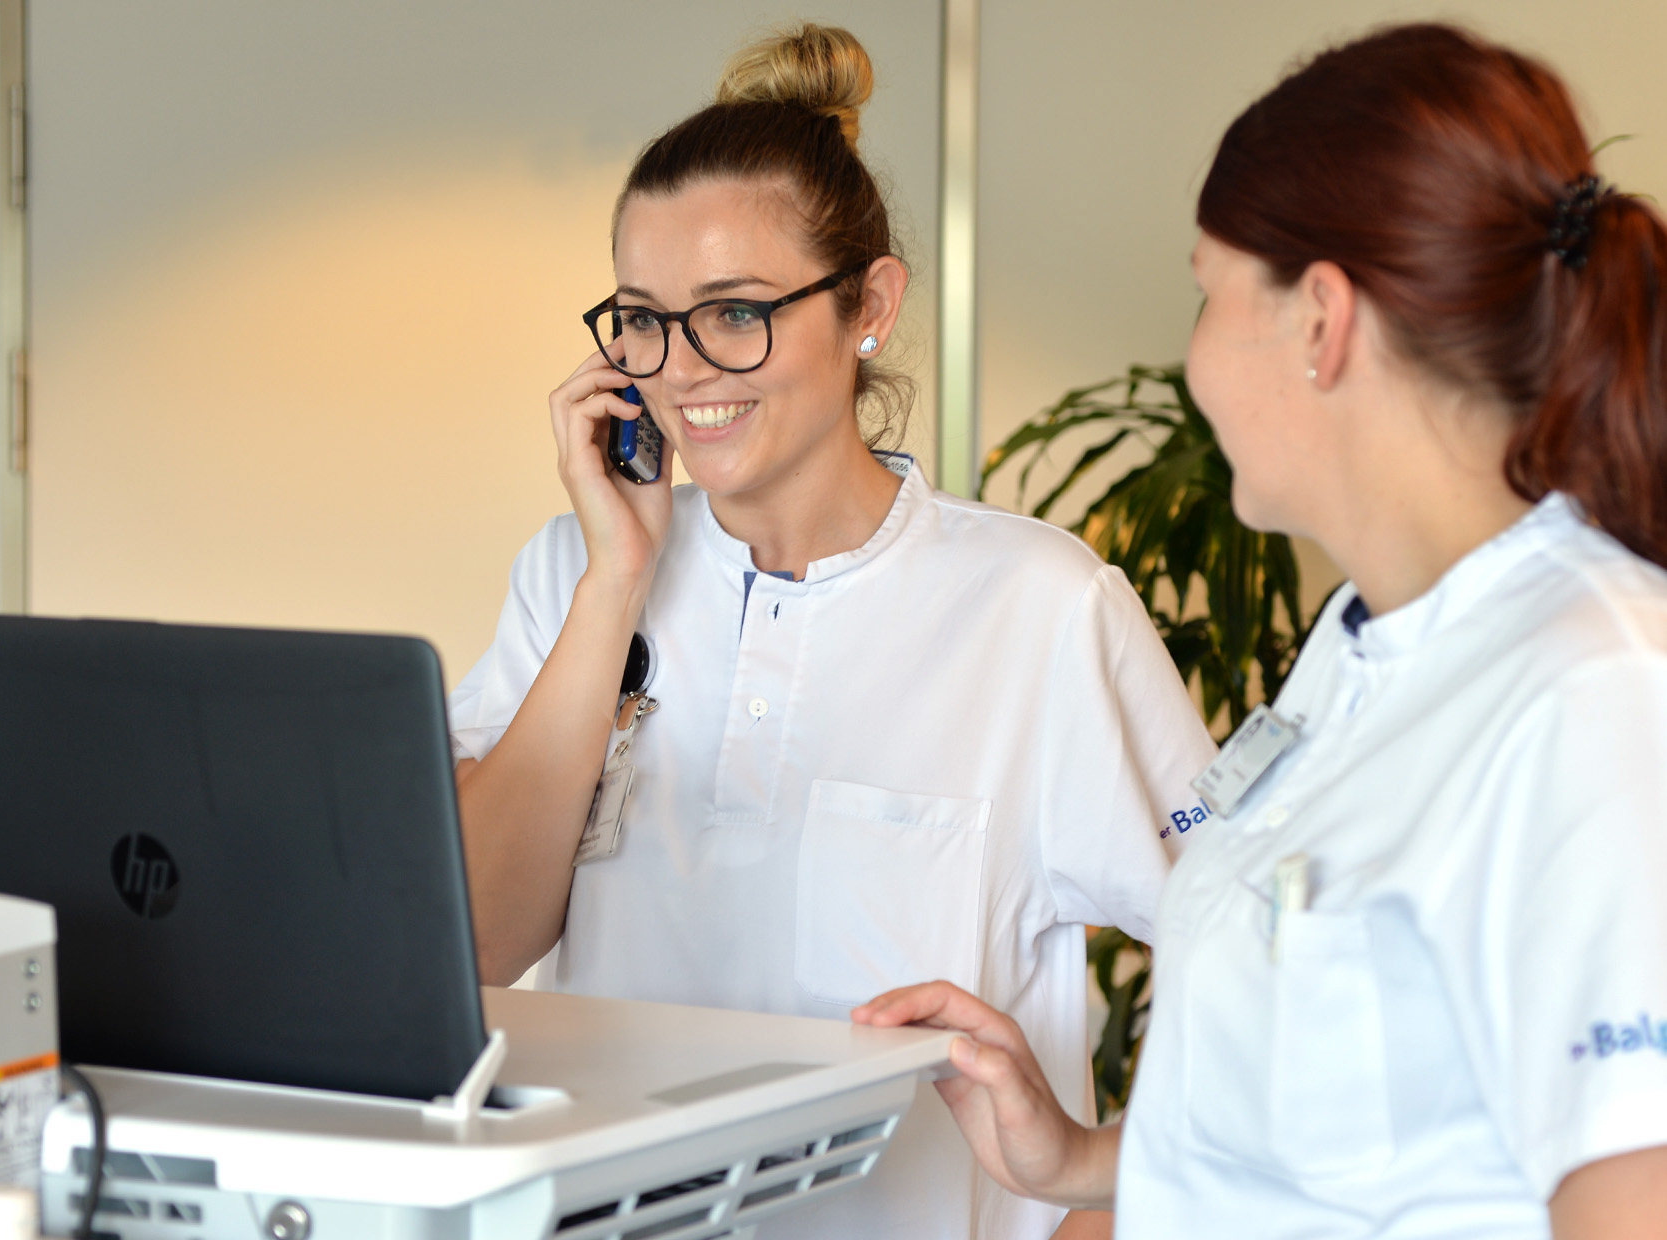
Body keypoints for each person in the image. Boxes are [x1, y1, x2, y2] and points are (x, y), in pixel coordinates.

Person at [854, 22, 1667, 1239]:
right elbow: (1347, 1127)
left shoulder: (1593, 692)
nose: (1192, 361)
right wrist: (1076, 1156)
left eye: (1206, 292)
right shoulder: (1360, 656)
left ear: (1319, 320)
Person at [447, 22, 1215, 1240]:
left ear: (871, 303)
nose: (684, 369)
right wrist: (615, 581)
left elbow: (1271, 959)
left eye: (736, 312)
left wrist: (1098, 1195)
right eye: (641, 319)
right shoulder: (572, 577)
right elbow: (479, 939)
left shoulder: (1041, 606)